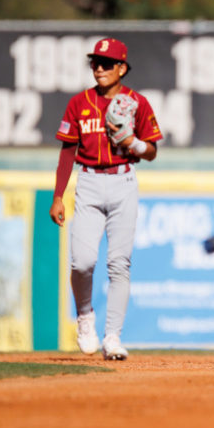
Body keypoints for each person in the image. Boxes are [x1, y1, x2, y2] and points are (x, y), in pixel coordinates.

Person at [50, 37, 162, 360]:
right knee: (82, 262)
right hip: (88, 181)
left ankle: (112, 337)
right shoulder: (78, 103)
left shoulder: (136, 102)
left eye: (106, 63)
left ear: (122, 68)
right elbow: (67, 152)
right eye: (94, 63)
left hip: (123, 180)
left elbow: (152, 151)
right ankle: (85, 316)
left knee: (119, 264)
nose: (98, 68)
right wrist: (59, 196)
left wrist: (134, 143)